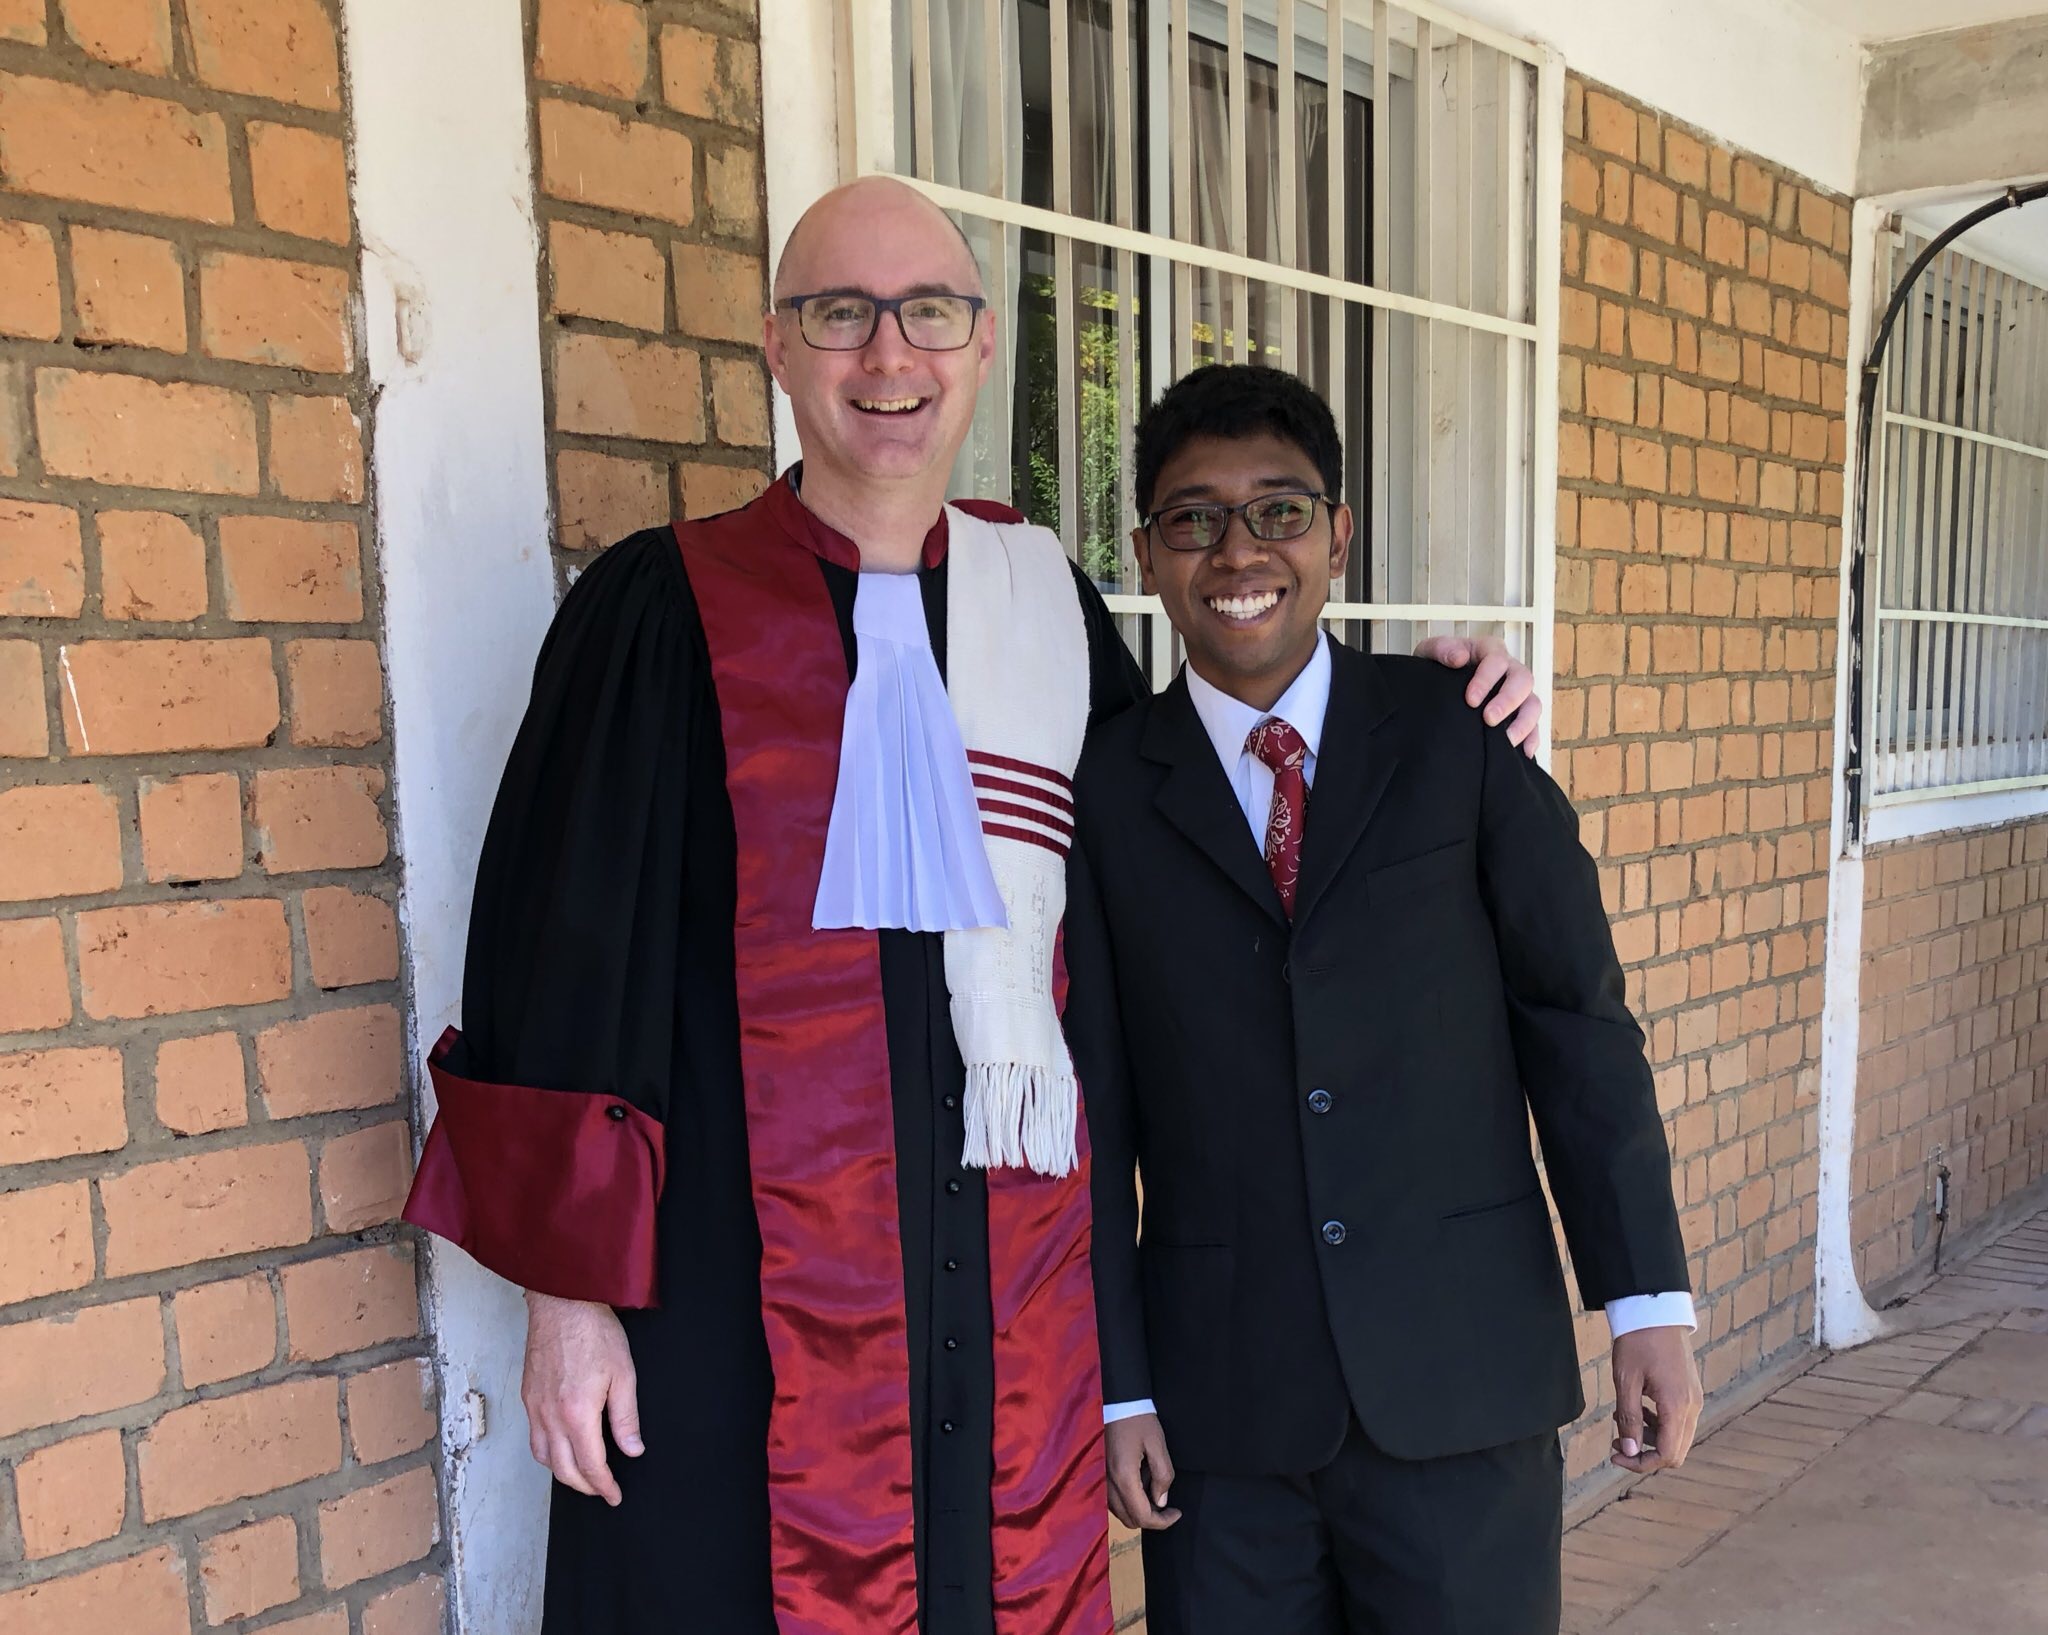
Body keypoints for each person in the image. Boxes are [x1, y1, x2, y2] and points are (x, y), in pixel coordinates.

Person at [401, 180, 1542, 1635]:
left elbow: (1200, 840)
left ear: (981, 347)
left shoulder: (1044, 606)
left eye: (927, 313)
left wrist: (1413, 706)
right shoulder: (661, 612)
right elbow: (558, 962)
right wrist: (568, 1308)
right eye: (840, 315)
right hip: (735, 1313)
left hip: (1007, 1297)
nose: (889, 358)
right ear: (778, 345)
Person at [1068, 363, 1701, 1635]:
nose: (1237, 550)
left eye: (1279, 511)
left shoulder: (1458, 732)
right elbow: (1096, 1113)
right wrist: (1119, 1387)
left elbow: (1573, 1024)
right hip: (1222, 1411)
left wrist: (1641, 1301)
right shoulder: (1101, 793)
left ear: (1338, 536)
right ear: (1145, 552)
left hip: (1462, 1377)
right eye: (1192, 518)